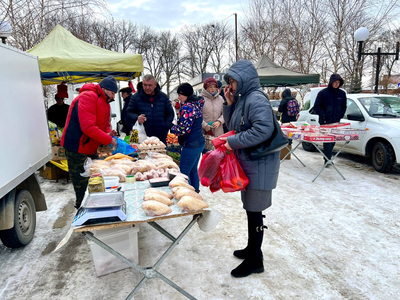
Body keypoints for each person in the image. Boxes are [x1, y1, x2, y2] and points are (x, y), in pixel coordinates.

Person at [220, 59, 280, 278]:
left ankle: (256, 259)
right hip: (251, 162)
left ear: (244, 79)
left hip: (260, 162)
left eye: (233, 81)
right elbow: (233, 126)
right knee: (251, 208)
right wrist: (229, 103)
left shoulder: (255, 99)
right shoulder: (244, 98)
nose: (231, 85)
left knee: (255, 209)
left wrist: (233, 142)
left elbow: (263, 129)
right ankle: (251, 249)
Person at [61, 76, 119, 209]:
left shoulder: (105, 101)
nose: (113, 96)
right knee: (82, 185)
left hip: (90, 147)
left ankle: (96, 210)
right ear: (104, 89)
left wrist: (109, 134)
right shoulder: (88, 97)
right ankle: (81, 217)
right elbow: (88, 127)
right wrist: (110, 140)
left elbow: (105, 125)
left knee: (96, 181)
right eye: (112, 92)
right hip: (77, 147)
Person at [170, 83, 205, 192]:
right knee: (193, 170)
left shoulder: (188, 107)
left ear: (186, 95)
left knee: (183, 173)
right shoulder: (196, 104)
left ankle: (187, 195)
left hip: (191, 144)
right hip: (199, 142)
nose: (179, 97)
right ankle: (196, 193)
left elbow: (184, 129)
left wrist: (172, 128)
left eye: (180, 94)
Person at [126, 74, 174, 144]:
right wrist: (137, 118)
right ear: (142, 84)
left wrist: (165, 127)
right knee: (139, 154)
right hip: (140, 136)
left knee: (160, 154)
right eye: (145, 85)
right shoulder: (135, 97)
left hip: (160, 137)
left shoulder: (163, 97)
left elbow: (170, 113)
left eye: (150, 85)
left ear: (155, 85)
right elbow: (128, 113)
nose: (147, 88)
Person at [313, 74, 347, 166]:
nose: (336, 84)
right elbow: (317, 106)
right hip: (325, 121)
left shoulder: (342, 94)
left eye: (338, 82)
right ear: (331, 82)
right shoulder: (323, 93)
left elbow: (344, 107)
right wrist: (323, 115)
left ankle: (328, 157)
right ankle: (327, 159)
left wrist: (340, 115)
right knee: (327, 140)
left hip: (336, 121)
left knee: (333, 140)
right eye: (335, 82)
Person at [201, 77, 225, 151]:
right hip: (206, 134)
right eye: (210, 87)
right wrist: (205, 125)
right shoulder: (200, 99)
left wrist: (219, 121)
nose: (213, 89)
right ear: (205, 88)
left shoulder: (221, 98)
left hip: (219, 132)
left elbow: (225, 114)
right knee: (207, 156)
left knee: (219, 156)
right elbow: (197, 116)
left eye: (214, 87)